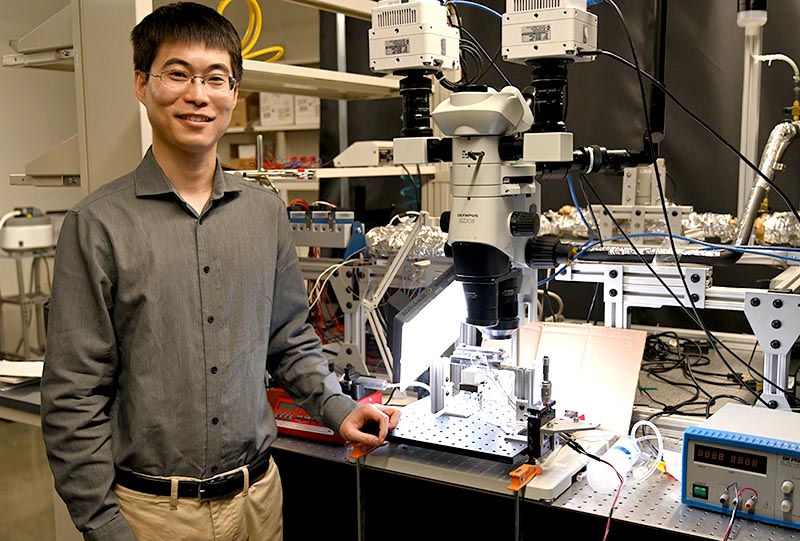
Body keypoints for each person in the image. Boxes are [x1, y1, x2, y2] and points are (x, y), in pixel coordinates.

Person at [39, 3, 401, 540]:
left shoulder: (264, 211)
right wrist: (103, 525)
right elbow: (73, 397)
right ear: (142, 84)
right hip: (153, 515)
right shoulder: (97, 225)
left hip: (258, 500)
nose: (198, 94)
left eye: (216, 78)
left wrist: (337, 407)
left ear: (234, 92)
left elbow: (288, 338)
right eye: (177, 74)